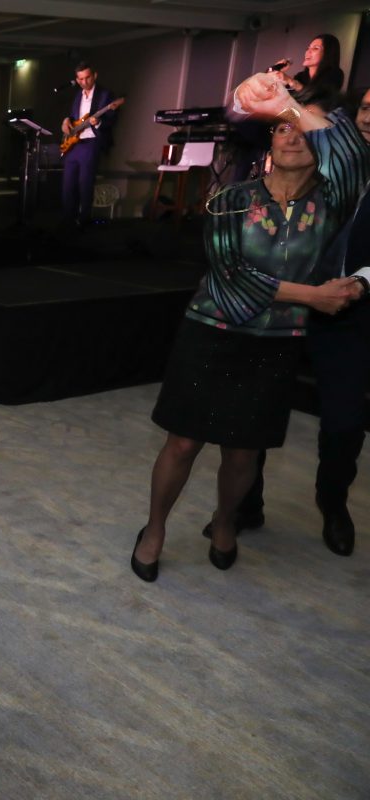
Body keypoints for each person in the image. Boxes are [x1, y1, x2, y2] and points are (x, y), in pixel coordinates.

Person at [130, 71, 370, 582]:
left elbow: (351, 155)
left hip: (275, 343)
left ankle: (225, 520)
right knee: (183, 443)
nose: (292, 136)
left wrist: (288, 105)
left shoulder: (333, 203)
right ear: (269, 142)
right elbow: (232, 277)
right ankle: (154, 528)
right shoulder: (230, 199)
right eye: (281, 129)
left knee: (243, 451)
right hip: (210, 334)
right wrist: (314, 296)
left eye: (304, 130)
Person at [220, 85, 370, 558]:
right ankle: (246, 503)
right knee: (255, 410)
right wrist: (255, 94)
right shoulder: (310, 155)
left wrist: (360, 283)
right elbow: (240, 115)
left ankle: (333, 503)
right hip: (281, 303)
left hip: (348, 310)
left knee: (345, 422)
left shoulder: (345, 167)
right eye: (367, 108)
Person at [60, 61, 115, 227]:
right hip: (74, 144)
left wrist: (98, 123)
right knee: (68, 184)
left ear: (95, 75)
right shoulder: (78, 95)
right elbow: (73, 116)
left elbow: (112, 119)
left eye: (88, 77)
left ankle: (83, 220)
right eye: (81, 79)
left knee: (85, 183)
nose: (85, 82)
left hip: (91, 142)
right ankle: (68, 221)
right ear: (77, 80)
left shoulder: (105, 95)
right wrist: (66, 120)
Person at [277, 34, 345, 100]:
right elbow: (285, 96)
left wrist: (291, 81)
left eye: (315, 48)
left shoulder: (335, 74)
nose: (308, 52)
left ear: (327, 53)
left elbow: (318, 98)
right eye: (308, 48)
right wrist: (278, 72)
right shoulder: (300, 76)